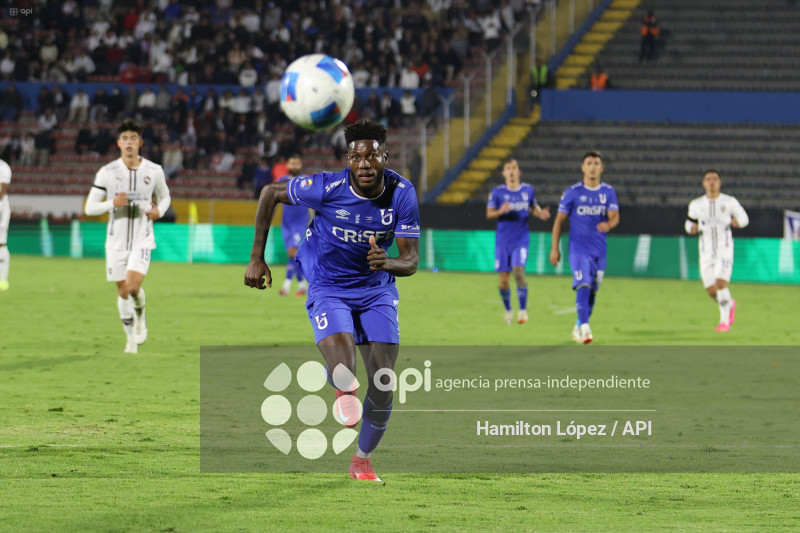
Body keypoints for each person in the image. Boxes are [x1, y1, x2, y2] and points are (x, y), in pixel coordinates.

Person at [245, 119, 420, 482]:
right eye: (358, 157)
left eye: (373, 156)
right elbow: (269, 194)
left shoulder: (402, 193)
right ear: (348, 159)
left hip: (376, 290)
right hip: (329, 287)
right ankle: (343, 386)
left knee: (384, 381)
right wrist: (256, 258)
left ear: (386, 157)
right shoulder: (326, 186)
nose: (366, 164)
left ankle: (362, 460)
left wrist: (389, 262)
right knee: (345, 370)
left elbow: (411, 259)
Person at [84, 119, 171, 354]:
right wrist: (111, 203)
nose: (129, 142)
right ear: (118, 143)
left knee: (133, 287)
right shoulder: (107, 172)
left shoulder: (154, 171)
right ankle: (130, 337)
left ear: (140, 142)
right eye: (125, 138)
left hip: (142, 239)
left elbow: (165, 197)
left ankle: (141, 319)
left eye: (133, 138)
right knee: (123, 292)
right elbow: (89, 208)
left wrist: (159, 211)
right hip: (115, 242)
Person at [549, 151, 619, 344]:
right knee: (583, 284)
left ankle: (579, 324)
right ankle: (586, 329)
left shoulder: (608, 192)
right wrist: (555, 248)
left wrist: (609, 224)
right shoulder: (572, 193)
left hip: (599, 250)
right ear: (583, 167)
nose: (593, 167)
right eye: (589, 163)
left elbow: (614, 215)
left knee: (592, 290)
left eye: (597, 163)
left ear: (602, 168)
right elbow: (558, 221)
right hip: (578, 250)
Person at [486, 158, 550, 325]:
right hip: (503, 241)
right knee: (504, 280)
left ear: (519, 171)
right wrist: (500, 211)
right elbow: (489, 214)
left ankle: (522, 310)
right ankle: (508, 310)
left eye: (514, 168)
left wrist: (540, 213)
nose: (512, 171)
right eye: (508, 168)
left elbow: (532, 206)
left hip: (521, 239)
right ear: (504, 173)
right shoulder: (497, 192)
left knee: (519, 271)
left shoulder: (528, 190)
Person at [685, 170, 749, 332]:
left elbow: (744, 219)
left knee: (721, 283)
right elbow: (689, 222)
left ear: (719, 182)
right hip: (705, 251)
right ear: (704, 183)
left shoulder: (729, 202)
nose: (711, 182)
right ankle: (730, 303)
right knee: (711, 290)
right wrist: (691, 228)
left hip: (724, 249)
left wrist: (737, 222)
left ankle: (724, 323)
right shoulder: (696, 204)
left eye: (714, 179)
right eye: (708, 179)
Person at [274, 154, 310, 296]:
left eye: (297, 163)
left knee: (292, 252)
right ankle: (302, 285)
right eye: (292, 163)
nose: (294, 166)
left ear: (300, 165)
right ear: (288, 165)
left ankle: (286, 287)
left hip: (300, 222)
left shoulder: (306, 181)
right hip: (286, 223)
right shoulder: (281, 181)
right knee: (292, 256)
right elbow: (274, 199)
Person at [0, 158, 11, 292]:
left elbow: (2, 190)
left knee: (1, 244)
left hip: (1, 208)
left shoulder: (3, 167)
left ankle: (3, 280)